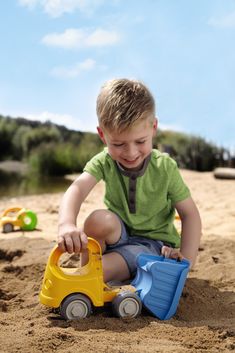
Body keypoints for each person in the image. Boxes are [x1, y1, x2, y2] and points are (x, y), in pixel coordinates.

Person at [58, 78, 202, 283]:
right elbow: (77, 189)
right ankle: (90, 272)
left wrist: (187, 262)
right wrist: (66, 225)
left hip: (153, 246)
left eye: (140, 141)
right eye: (118, 144)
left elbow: (189, 214)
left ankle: (91, 277)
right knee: (97, 220)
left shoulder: (165, 167)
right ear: (102, 135)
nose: (131, 152)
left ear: (153, 128)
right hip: (119, 235)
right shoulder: (105, 161)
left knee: (100, 272)